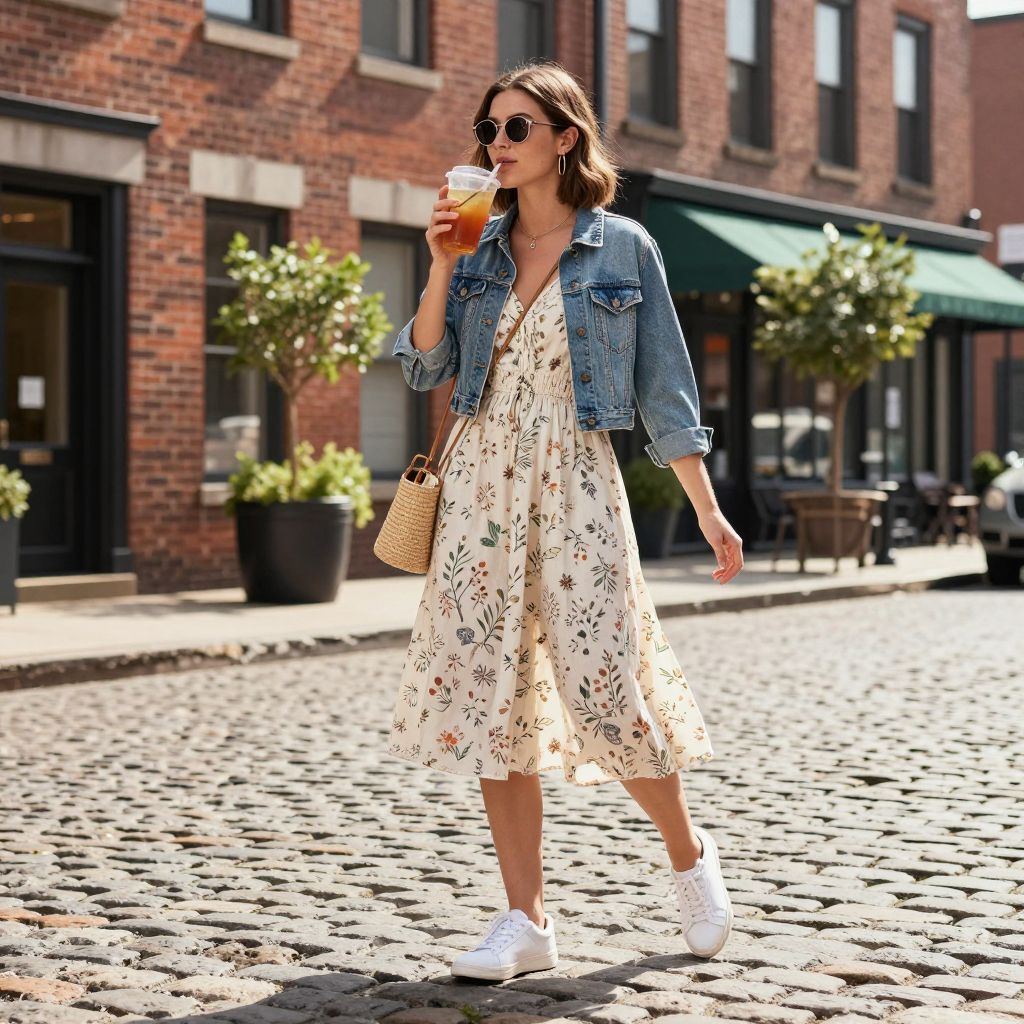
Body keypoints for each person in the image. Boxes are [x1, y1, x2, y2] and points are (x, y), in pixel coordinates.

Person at [385, 60, 744, 980]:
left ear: (564, 138)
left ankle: (689, 856)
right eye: (488, 130)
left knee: (605, 689)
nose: (494, 145)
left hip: (577, 484)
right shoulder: (477, 248)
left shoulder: (622, 248)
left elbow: (665, 386)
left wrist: (706, 510)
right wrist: (440, 267)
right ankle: (526, 918)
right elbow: (424, 371)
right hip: (478, 494)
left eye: (514, 129)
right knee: (491, 705)